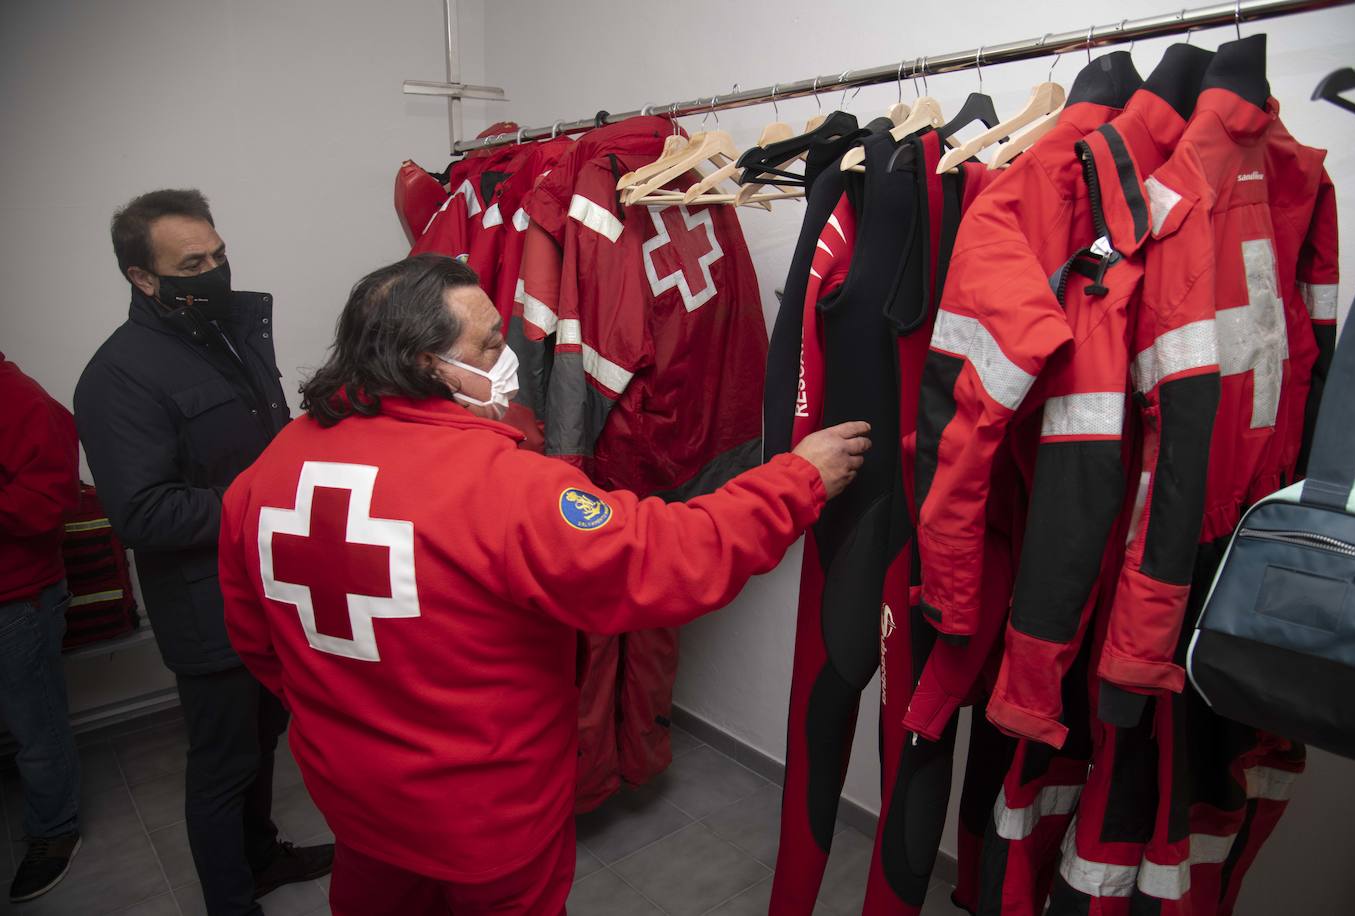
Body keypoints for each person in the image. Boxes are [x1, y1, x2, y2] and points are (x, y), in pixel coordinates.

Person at [216, 254, 870, 915]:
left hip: (356, 804)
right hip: (487, 821)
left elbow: (259, 647)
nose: (507, 357)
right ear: (426, 364)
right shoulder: (503, 487)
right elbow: (668, 559)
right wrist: (797, 479)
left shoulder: (268, 471)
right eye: (490, 344)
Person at [73, 189, 332, 916]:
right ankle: (230, 901)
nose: (214, 271)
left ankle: (259, 858)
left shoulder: (228, 336)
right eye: (193, 263)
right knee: (223, 762)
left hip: (268, 587)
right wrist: (267, 502)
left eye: (219, 254)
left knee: (263, 739)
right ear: (143, 278)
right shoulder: (118, 375)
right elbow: (142, 512)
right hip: (206, 609)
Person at [0, 353, 81, 903]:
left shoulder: (20, 399)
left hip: (16, 599)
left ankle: (54, 831)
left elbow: (47, 503)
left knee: (37, 728)